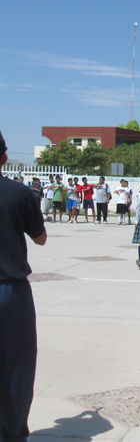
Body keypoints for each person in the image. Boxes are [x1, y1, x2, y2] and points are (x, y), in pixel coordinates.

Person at [0, 130, 47, 441]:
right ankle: (13, 433)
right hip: (8, 289)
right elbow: (40, 238)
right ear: (4, 157)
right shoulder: (19, 193)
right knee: (15, 365)